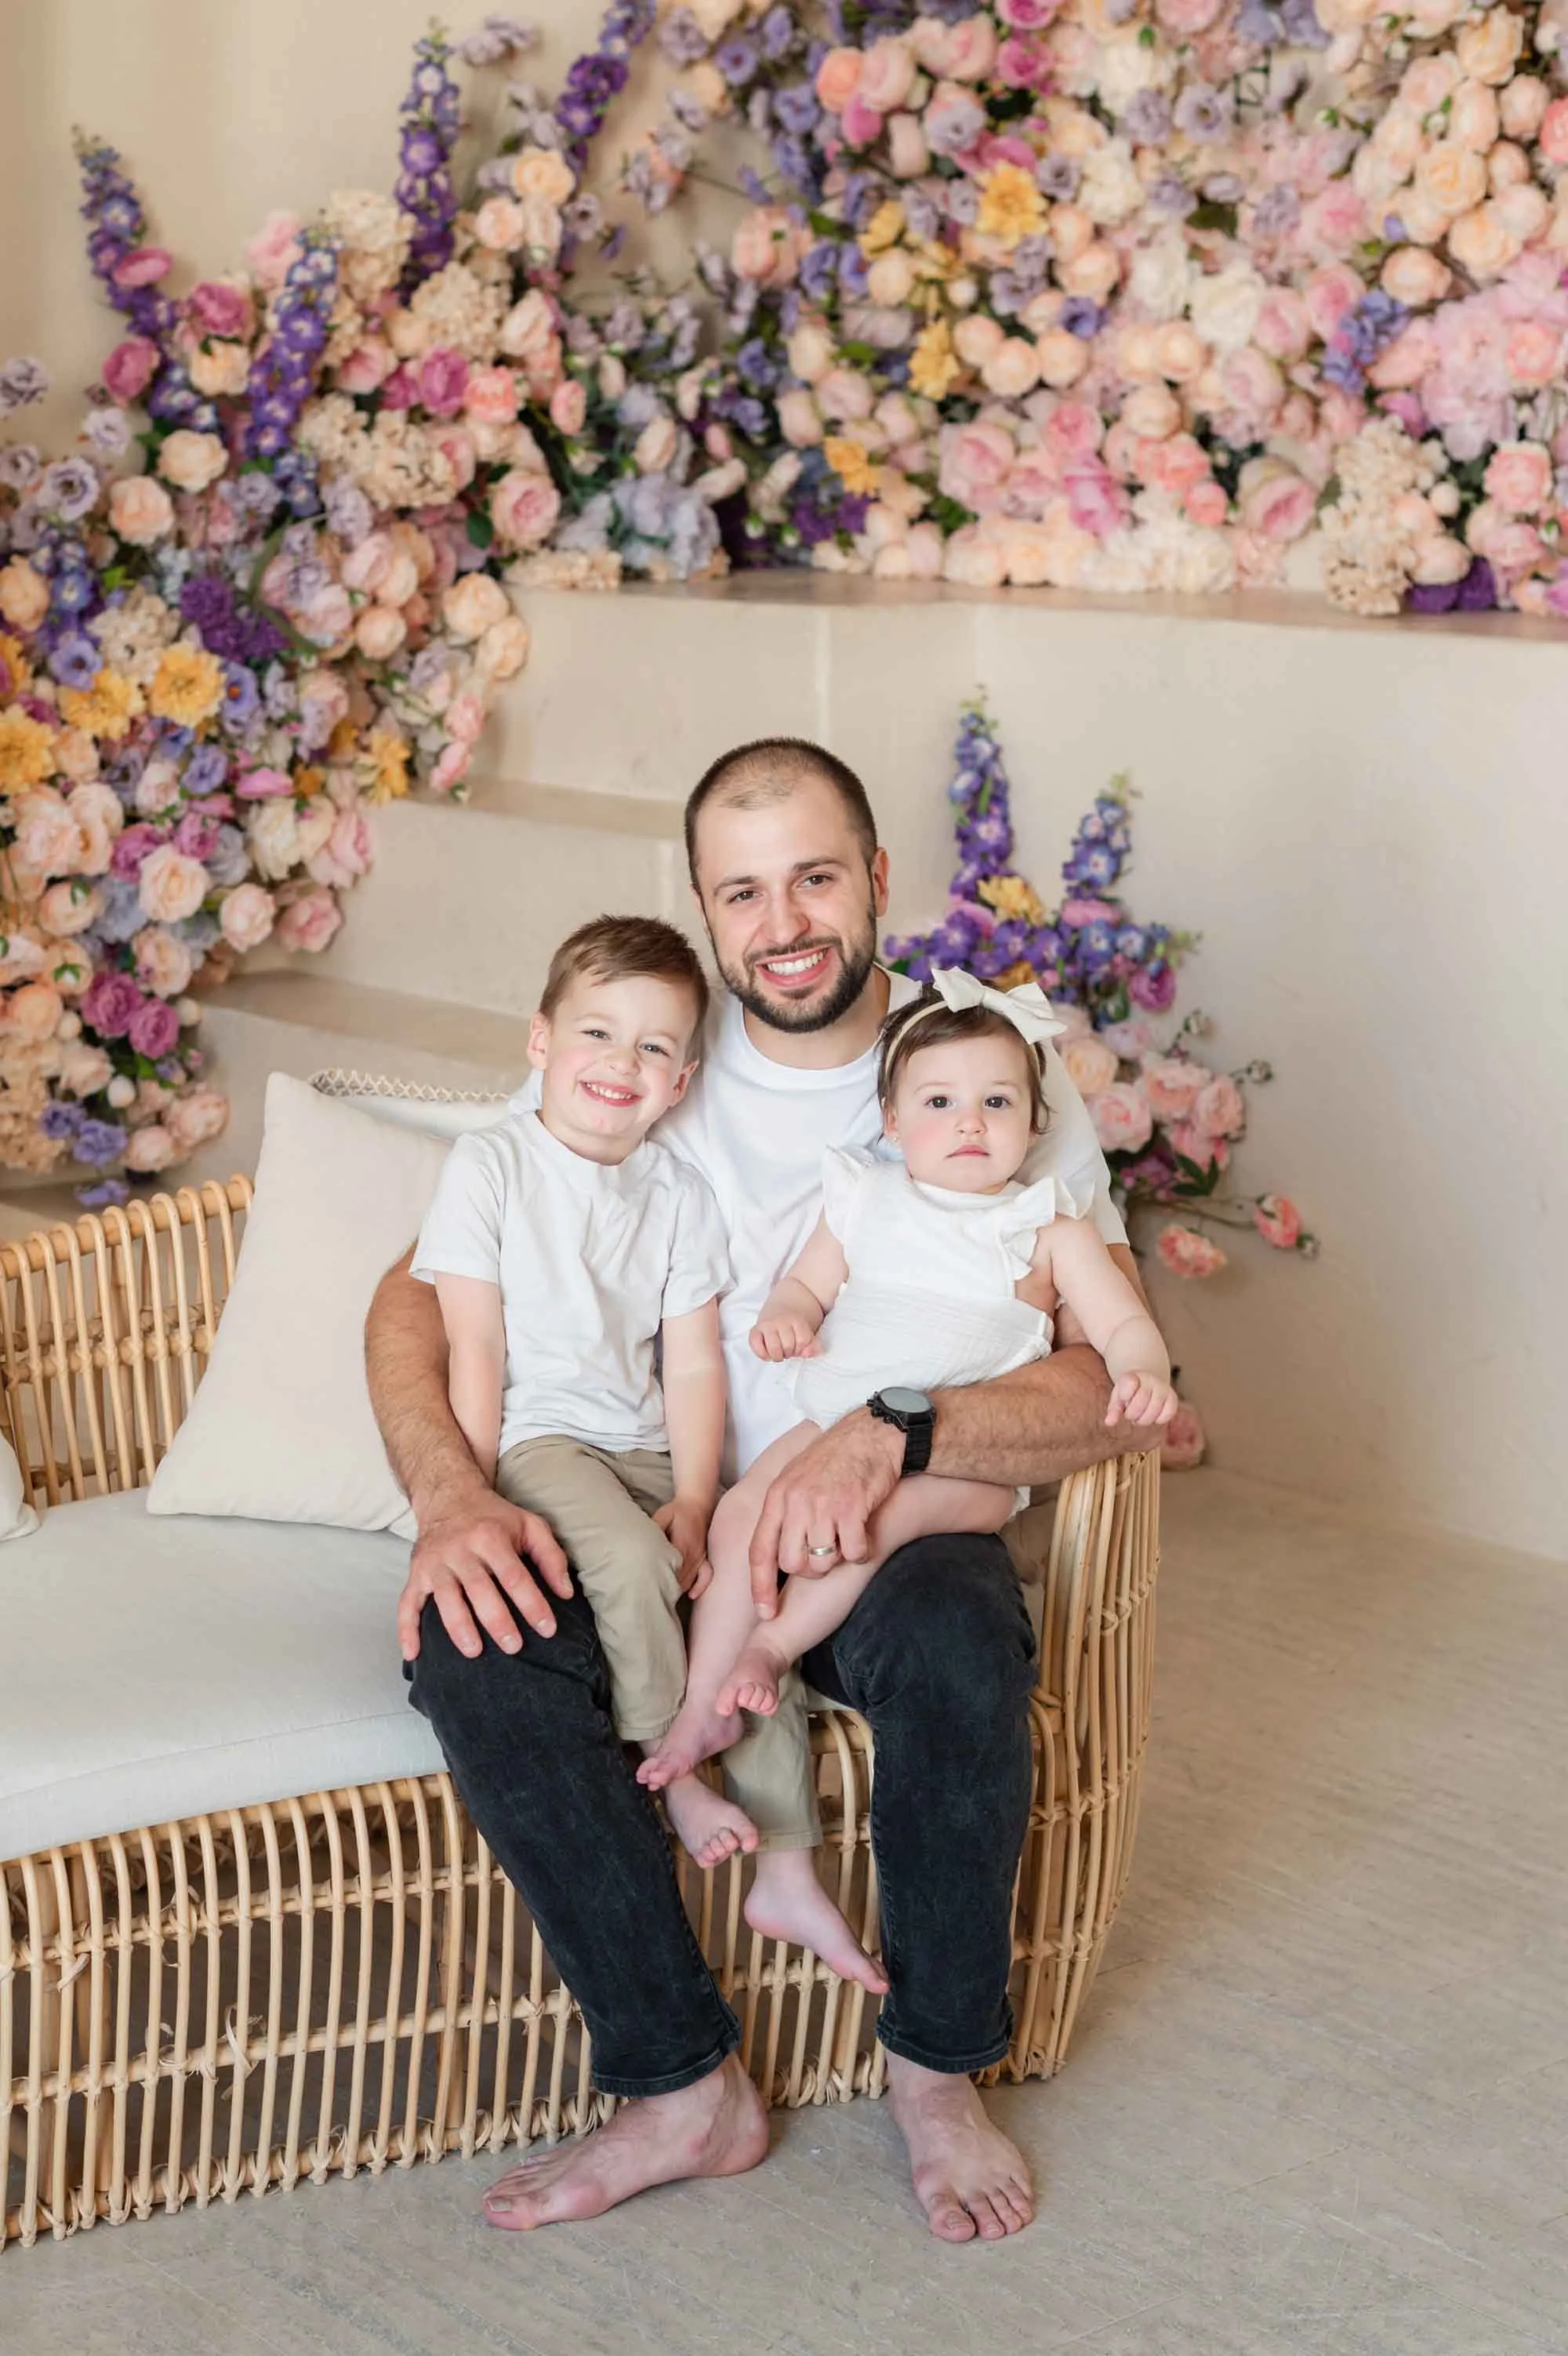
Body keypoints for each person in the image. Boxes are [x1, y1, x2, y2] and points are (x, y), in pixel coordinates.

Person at [367, 737, 1161, 2245]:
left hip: (897, 1515)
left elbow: (1098, 1378)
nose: (783, 923)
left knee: (954, 1634)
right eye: (743, 892)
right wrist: (449, 1495)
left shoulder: (981, 1059)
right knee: (473, 1641)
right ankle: (683, 2084)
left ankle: (938, 2068)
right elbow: (418, 1295)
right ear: (703, 907)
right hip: (665, 1511)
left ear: (879, 878)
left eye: (815, 878)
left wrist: (901, 1431)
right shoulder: (652, 1052)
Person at [638, 968, 1176, 1786]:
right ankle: (701, 1705)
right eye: (939, 1102)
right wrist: (788, 1316)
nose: (969, 1121)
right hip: (832, 1423)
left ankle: (771, 1646)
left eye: (997, 1101)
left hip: (960, 1466)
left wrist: (1144, 1370)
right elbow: (807, 1283)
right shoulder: (865, 1196)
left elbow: (1123, 1326)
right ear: (892, 1121)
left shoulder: (1049, 1228)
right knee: (741, 1509)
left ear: (1036, 1122)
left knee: (874, 1521)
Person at [411, 913, 773, 1871]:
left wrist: (695, 1495)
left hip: (642, 1441)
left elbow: (691, 1362)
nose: (622, 1061)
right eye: (597, 1031)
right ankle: (671, 1764)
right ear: (540, 1041)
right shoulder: (490, 1165)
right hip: (540, 1438)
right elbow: (474, 1344)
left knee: (742, 1570)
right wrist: (471, 1493)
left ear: (680, 1081)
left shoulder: (677, 1194)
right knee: (627, 1555)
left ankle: (787, 1840)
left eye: (654, 1046)